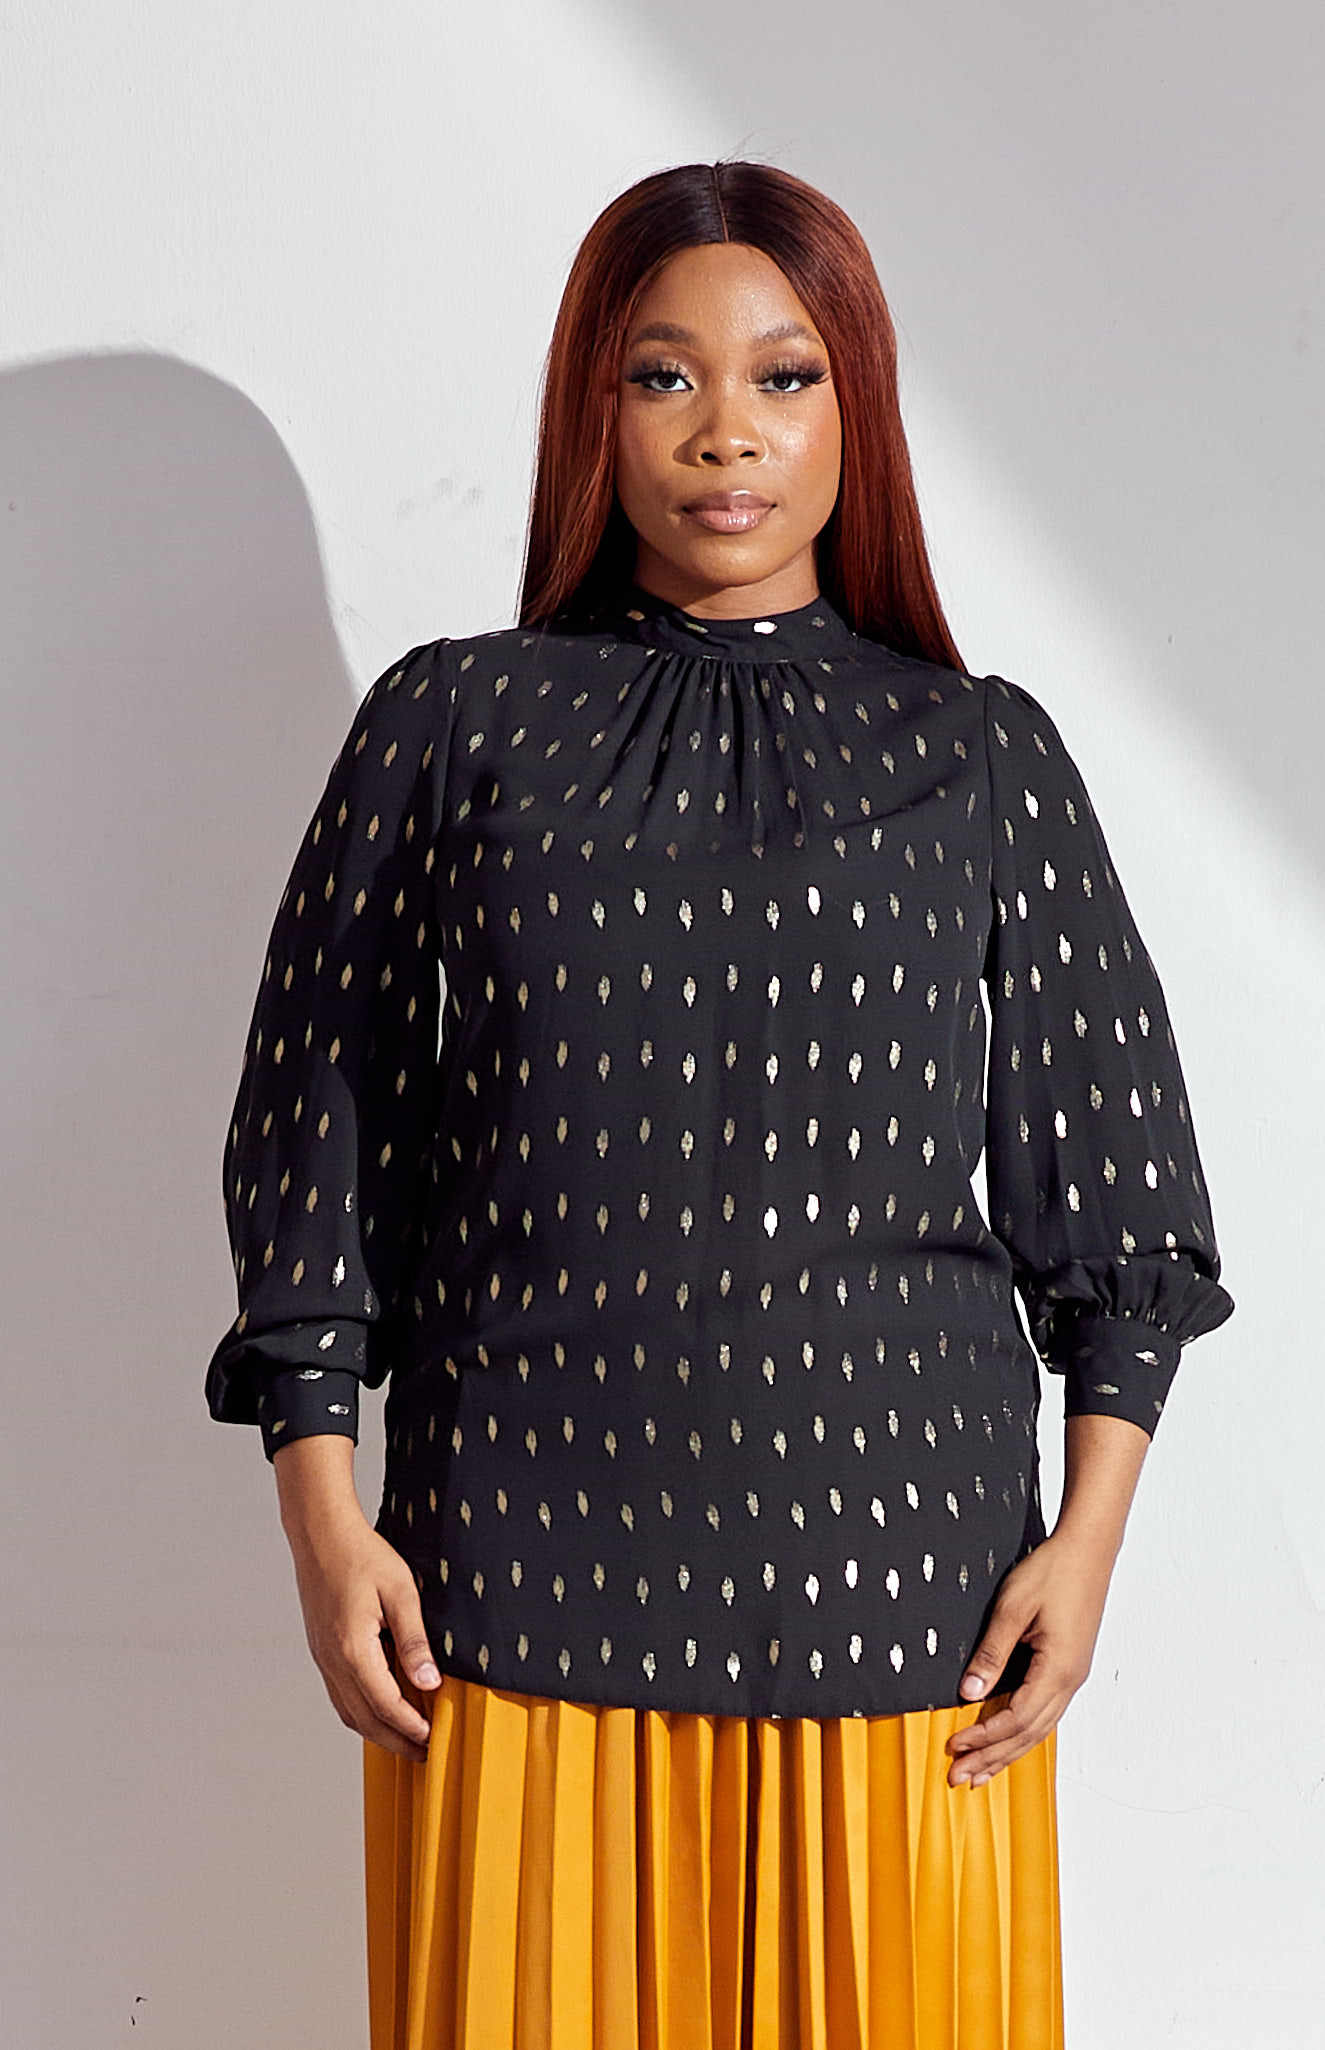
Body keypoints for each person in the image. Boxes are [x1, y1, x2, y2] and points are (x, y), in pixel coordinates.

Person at [205, 158, 1235, 2050]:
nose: (725, 432)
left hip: (904, 1602)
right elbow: (315, 1122)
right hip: (515, 1579)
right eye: (663, 376)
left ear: (858, 406)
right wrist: (320, 1515)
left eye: (784, 375)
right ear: (592, 409)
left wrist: (1085, 1546)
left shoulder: (980, 752)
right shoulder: (454, 725)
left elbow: (1118, 1183)